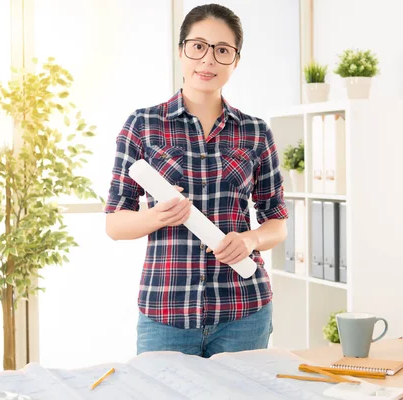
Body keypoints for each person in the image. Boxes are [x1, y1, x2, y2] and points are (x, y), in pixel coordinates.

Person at [104, 3, 288, 358]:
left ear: (235, 61)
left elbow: (276, 221)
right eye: (198, 46)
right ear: (181, 51)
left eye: (222, 51)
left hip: (244, 312)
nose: (208, 61)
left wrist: (250, 240)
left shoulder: (255, 132)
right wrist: (157, 216)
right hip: (166, 313)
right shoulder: (142, 125)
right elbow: (115, 223)